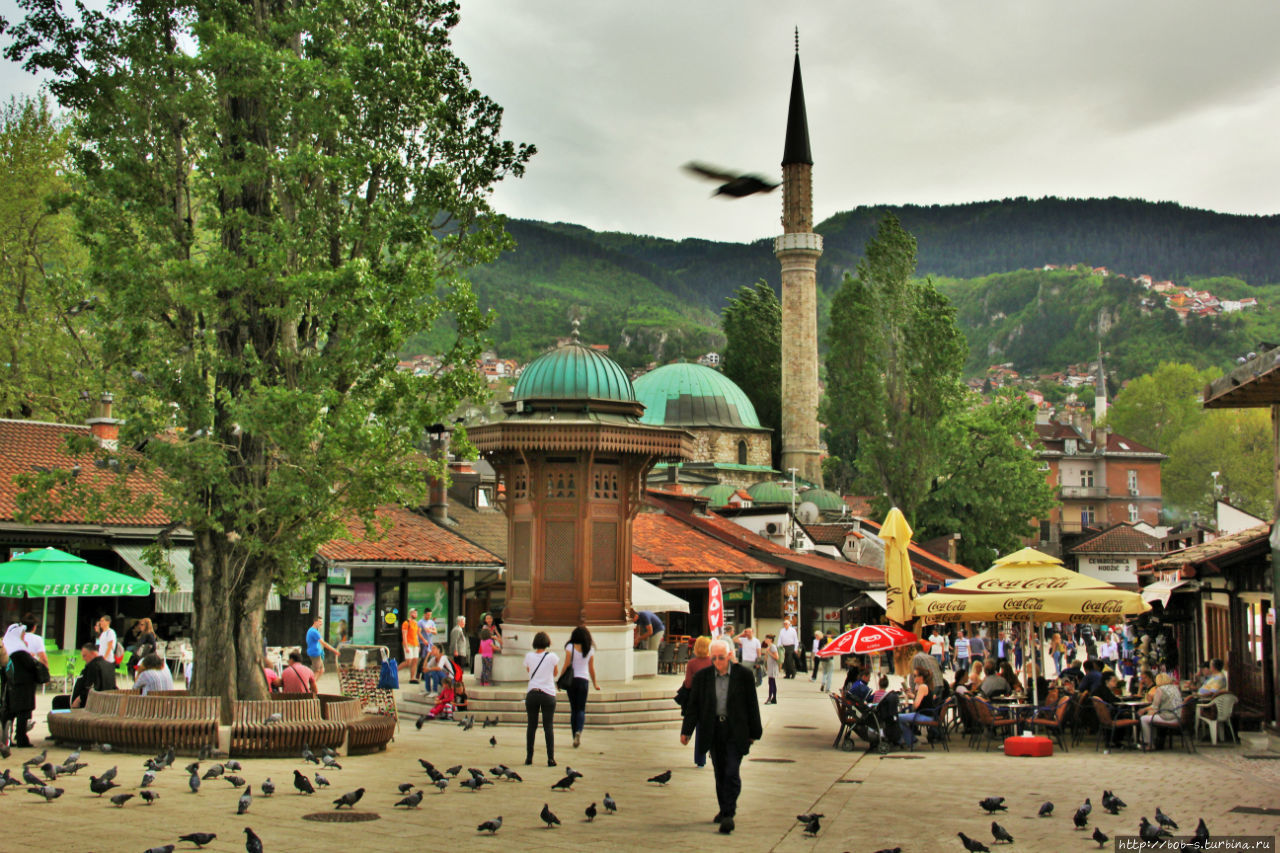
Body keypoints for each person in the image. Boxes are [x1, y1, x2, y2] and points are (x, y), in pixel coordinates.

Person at [679, 638, 762, 835]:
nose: (717, 662)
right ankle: (725, 808)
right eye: (714, 658)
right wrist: (686, 731)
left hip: (735, 730)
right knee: (720, 772)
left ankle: (728, 813)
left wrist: (754, 733)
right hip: (714, 729)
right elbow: (694, 707)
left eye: (721, 658)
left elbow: (752, 705)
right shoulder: (702, 677)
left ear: (730, 656)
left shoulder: (744, 675)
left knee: (732, 771)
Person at [559, 625, 600, 749]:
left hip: (571, 680)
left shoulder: (570, 647)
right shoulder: (590, 649)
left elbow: (566, 665)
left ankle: (573, 735)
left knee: (573, 709)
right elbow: (591, 668)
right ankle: (579, 731)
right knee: (581, 709)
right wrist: (595, 683)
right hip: (584, 680)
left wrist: (559, 680)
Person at [524, 631, 558, 766]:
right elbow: (555, 672)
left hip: (532, 692)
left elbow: (528, 670)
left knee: (531, 726)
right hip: (548, 693)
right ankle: (550, 758)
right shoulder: (552, 657)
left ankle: (529, 757)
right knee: (548, 726)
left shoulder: (529, 656)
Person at [2, 624, 39, 747]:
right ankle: (21, 739)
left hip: (9, 685)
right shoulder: (19, 649)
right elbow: (30, 666)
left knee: (8, 712)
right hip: (22, 686)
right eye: (22, 634)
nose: (24, 636)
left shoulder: (6, 645)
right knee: (22, 712)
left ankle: (5, 739)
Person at [682, 636, 714, 768]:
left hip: (698, 700)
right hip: (713, 700)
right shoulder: (714, 661)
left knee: (700, 730)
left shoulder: (692, 663)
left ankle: (700, 760)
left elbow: (688, 684)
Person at [899, 661, 942, 748]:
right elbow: (920, 699)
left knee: (897, 717)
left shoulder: (922, 687)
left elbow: (916, 705)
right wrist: (910, 695)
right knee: (900, 718)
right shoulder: (925, 686)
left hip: (924, 716)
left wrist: (911, 705)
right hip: (928, 715)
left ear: (921, 677)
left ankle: (911, 740)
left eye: (915, 675)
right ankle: (908, 739)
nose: (913, 677)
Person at [1138, 672, 1182, 750]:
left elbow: (1154, 706)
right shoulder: (1175, 688)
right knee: (1151, 717)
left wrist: (1143, 709)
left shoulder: (1160, 689)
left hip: (1169, 717)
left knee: (1144, 719)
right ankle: (1153, 741)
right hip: (1178, 716)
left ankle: (1148, 743)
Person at [70, 642, 117, 708]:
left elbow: (91, 687)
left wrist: (79, 699)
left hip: (90, 704)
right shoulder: (109, 665)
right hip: (106, 702)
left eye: (84, 656)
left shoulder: (93, 666)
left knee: (57, 701)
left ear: (93, 653)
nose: (83, 659)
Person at [400, 608, 420, 681]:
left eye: (416, 613)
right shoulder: (406, 623)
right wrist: (406, 646)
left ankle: (412, 678)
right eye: (414, 613)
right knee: (408, 661)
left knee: (415, 661)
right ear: (410, 614)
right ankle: (394, 671)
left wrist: (418, 645)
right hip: (408, 644)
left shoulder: (415, 623)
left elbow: (416, 634)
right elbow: (404, 635)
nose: (415, 615)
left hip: (415, 644)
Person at [761, 635, 780, 704]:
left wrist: (769, 652)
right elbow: (766, 658)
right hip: (770, 666)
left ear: (770, 640)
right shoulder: (769, 647)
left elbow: (776, 657)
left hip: (773, 667)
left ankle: (770, 698)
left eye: (767, 638)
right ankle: (774, 698)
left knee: (771, 682)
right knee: (772, 682)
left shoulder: (773, 647)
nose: (765, 640)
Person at [414, 609, 432, 681]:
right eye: (428, 615)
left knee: (428, 659)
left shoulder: (431, 622)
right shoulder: (421, 622)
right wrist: (423, 640)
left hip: (430, 642)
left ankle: (424, 674)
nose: (429, 616)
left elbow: (435, 631)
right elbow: (418, 632)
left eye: (430, 615)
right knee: (424, 658)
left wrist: (431, 630)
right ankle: (419, 673)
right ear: (424, 614)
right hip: (423, 643)